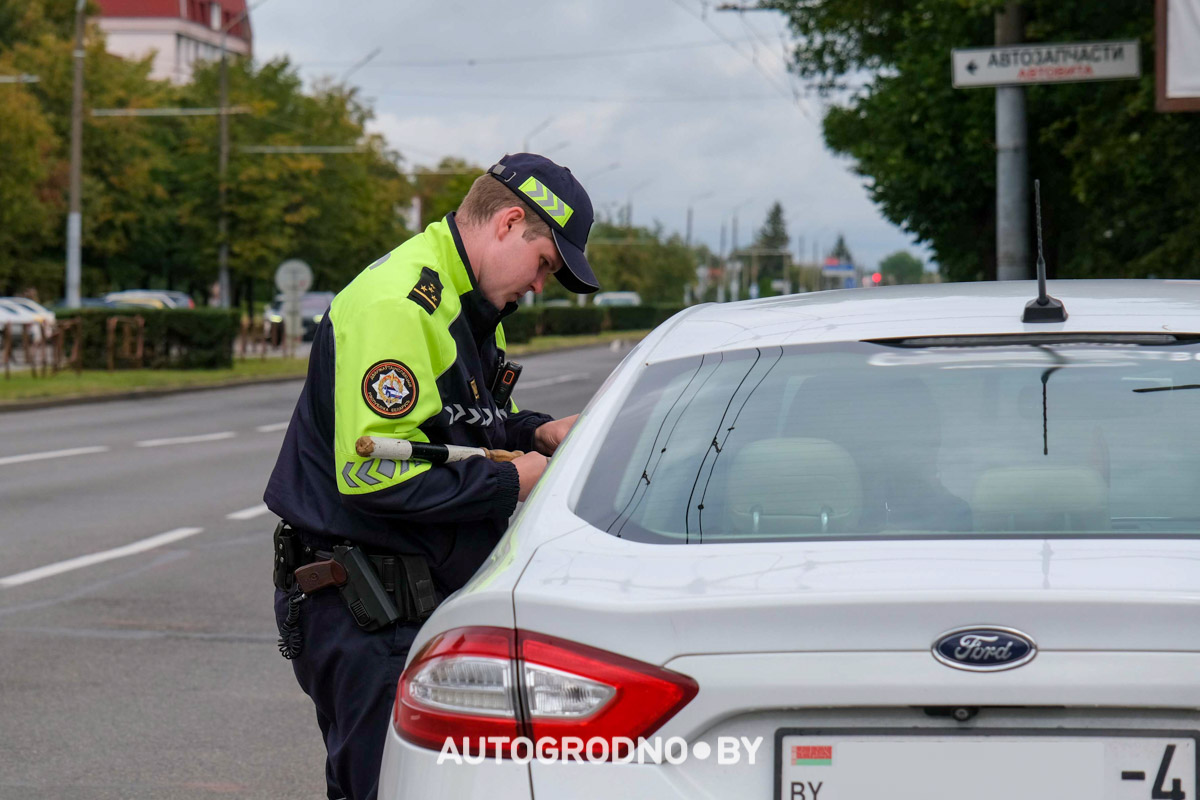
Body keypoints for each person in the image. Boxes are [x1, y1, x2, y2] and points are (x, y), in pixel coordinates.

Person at [263, 152, 599, 800]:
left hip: (401, 607)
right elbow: (375, 475)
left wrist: (533, 432)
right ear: (507, 224)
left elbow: (456, 431)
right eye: (544, 265)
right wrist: (514, 482)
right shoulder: (402, 305)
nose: (538, 287)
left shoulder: (460, 300)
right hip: (367, 609)